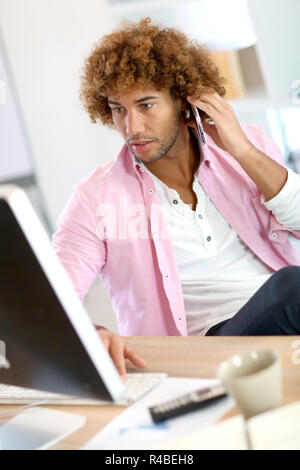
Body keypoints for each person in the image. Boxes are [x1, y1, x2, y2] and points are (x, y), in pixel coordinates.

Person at [52, 18, 300, 379]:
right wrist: (92, 333)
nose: (132, 127)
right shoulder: (96, 199)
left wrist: (242, 151)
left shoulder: (245, 146)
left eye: (146, 105)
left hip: (287, 321)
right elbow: (51, 302)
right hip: (206, 348)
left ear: (184, 100)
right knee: (291, 287)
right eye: (118, 109)